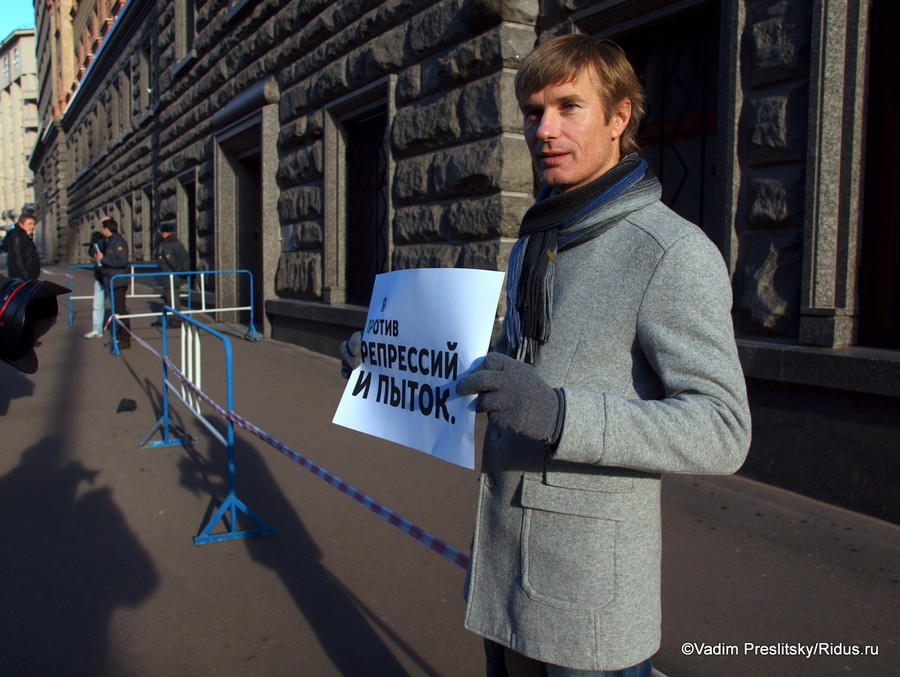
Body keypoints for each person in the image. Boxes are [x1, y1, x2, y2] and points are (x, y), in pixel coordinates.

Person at [342, 35, 751, 676]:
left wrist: (562, 415)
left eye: (569, 107)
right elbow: (510, 374)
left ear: (619, 118)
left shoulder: (670, 251)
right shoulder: (540, 237)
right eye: (534, 112)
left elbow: (723, 431)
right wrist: (396, 363)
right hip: (506, 569)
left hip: (589, 596)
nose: (546, 130)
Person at [94, 217, 131, 349]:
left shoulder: (117, 241)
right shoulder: (109, 241)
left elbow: (121, 262)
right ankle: (118, 337)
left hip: (118, 281)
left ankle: (125, 339)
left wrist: (103, 259)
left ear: (106, 229)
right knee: (116, 311)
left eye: (102, 228)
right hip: (111, 280)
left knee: (120, 310)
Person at [151, 221, 190, 328]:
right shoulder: (177, 243)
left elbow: (171, 261)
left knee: (172, 299)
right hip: (174, 276)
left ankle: (176, 320)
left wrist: (179, 271)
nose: (161, 234)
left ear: (166, 233)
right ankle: (165, 319)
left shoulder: (168, 245)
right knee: (169, 298)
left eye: (162, 232)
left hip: (171, 276)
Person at [84, 230, 107, 339]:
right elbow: (91, 252)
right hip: (100, 277)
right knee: (97, 305)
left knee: (117, 306)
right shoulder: (98, 239)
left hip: (111, 277)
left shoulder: (114, 240)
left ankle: (120, 331)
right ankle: (97, 329)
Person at [5, 213, 40, 281]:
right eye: (29, 224)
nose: (32, 226)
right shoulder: (17, 237)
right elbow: (18, 257)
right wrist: (26, 276)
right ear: (21, 224)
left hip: (28, 275)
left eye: (33, 224)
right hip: (21, 276)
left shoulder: (25, 236)